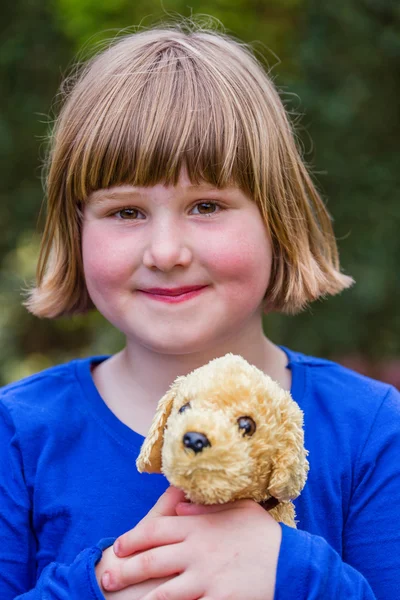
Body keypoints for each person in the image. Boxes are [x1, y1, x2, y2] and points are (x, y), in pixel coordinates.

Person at [0, 19, 399, 600]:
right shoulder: (16, 435)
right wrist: (109, 583)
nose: (166, 252)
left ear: (276, 221)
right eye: (127, 212)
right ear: (76, 230)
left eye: (207, 205)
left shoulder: (372, 431)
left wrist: (284, 570)